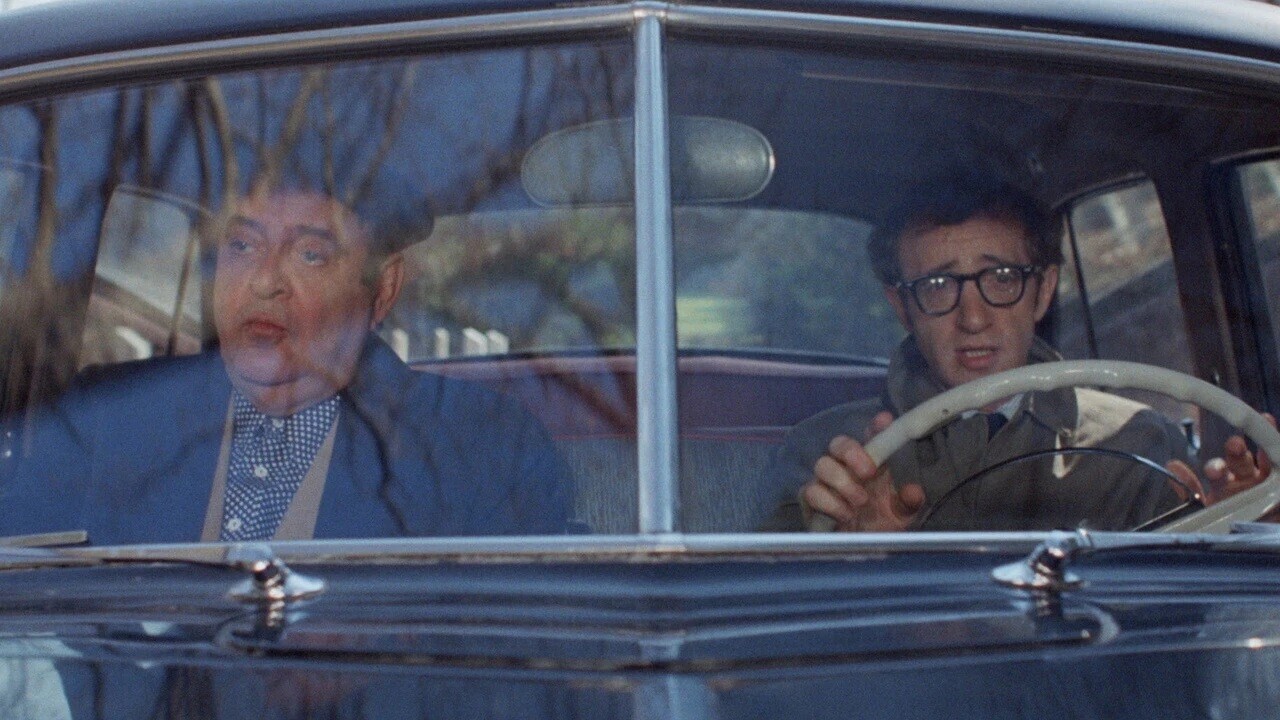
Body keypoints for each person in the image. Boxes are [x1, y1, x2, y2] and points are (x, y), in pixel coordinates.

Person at [0, 181, 572, 544]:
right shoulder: (102, 420)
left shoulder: (487, 450)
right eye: (242, 247)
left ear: (383, 290)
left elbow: (506, 672)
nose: (264, 281)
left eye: (310, 254)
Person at [768, 178, 1268, 532]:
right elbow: (767, 622)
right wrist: (856, 559)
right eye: (938, 285)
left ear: (1044, 290)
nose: (974, 318)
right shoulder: (830, 457)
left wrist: (1235, 536)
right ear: (902, 306)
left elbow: (1178, 624)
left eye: (1002, 279)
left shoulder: (1139, 440)